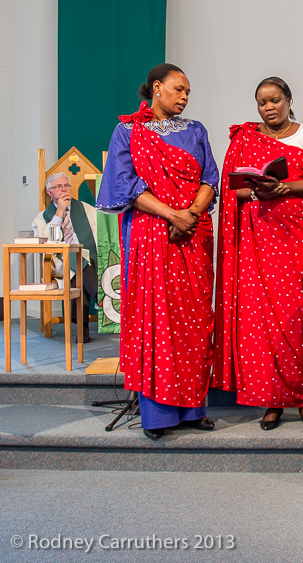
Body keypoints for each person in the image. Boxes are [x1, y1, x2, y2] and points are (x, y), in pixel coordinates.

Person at [96, 63, 219, 441]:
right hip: (152, 234)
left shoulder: (196, 130)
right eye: (179, 89)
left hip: (192, 235)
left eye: (188, 93)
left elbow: (210, 179)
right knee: (157, 318)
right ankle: (159, 414)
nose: (184, 97)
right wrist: (172, 214)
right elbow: (124, 185)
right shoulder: (127, 131)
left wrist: (191, 215)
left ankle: (193, 408)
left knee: (195, 318)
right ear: (156, 87)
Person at [213, 77, 303, 431]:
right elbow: (233, 190)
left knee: (295, 316)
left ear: (289, 100)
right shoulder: (246, 139)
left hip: (295, 234)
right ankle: (272, 401)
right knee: (260, 320)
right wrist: (261, 191)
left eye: (275, 100)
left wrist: (282, 187)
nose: (269, 108)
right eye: (262, 103)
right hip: (257, 235)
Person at [33, 172, 99, 342]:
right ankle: (104, 299)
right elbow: (49, 242)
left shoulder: (86, 209)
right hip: (61, 262)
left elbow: (100, 234)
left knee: (83, 265)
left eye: (66, 186)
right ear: (49, 192)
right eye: (58, 187)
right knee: (80, 265)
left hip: (91, 257)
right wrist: (59, 213)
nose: (64, 190)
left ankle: (82, 330)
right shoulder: (41, 218)